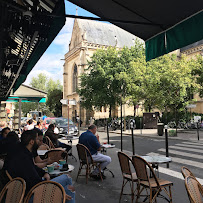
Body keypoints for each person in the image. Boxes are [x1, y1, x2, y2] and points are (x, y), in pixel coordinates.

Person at [4, 130, 75, 202]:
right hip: (30, 195)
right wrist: (57, 192)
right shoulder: (23, 157)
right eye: (37, 139)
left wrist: (44, 173)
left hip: (28, 189)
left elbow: (33, 167)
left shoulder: (22, 152)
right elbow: (35, 182)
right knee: (67, 178)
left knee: (68, 189)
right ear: (31, 142)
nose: (40, 142)